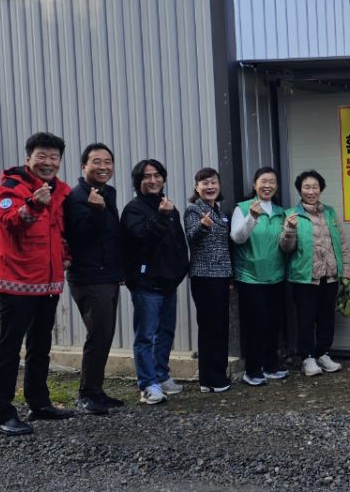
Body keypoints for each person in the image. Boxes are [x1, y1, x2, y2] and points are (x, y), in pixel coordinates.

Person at [0, 132, 75, 436]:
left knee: (40, 347)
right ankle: (2, 412)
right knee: (9, 350)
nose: (48, 162)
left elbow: (58, 232)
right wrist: (32, 205)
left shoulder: (59, 191)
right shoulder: (13, 186)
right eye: (42, 156)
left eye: (54, 157)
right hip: (17, 284)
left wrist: (66, 255)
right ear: (29, 159)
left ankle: (39, 402)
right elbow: (9, 222)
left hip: (49, 285)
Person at [121, 159, 190, 405]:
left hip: (169, 283)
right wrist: (161, 216)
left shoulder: (170, 208)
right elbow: (141, 237)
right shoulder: (134, 209)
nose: (153, 180)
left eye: (157, 175)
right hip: (146, 284)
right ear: (139, 181)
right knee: (145, 336)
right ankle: (147, 384)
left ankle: (161, 376)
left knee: (166, 333)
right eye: (147, 176)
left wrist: (180, 271)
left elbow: (179, 244)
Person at [65, 142, 127, 415]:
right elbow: (80, 237)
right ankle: (86, 395)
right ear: (83, 167)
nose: (103, 167)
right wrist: (96, 211)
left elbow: (111, 237)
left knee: (105, 334)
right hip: (89, 277)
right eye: (96, 162)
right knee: (98, 334)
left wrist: (120, 271)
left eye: (108, 162)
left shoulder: (106, 193)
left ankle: (96, 390)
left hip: (108, 275)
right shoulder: (77, 196)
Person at [279, 170, 350, 377]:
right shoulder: (291, 214)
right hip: (304, 277)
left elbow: (341, 244)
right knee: (306, 319)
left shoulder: (330, 213)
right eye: (306, 187)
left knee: (327, 318)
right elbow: (285, 248)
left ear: (321, 189)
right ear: (300, 190)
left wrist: (345, 271)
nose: (311, 191)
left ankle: (323, 354)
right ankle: (307, 358)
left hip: (330, 276)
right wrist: (290, 229)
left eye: (315, 187)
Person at [230, 167, 289, 386]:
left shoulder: (281, 212)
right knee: (256, 323)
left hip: (276, 275)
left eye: (272, 182)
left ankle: (270, 365)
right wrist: (252, 218)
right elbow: (237, 238)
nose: (268, 185)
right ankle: (252, 369)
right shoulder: (243, 208)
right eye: (263, 181)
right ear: (255, 184)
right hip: (251, 276)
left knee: (273, 322)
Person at [183, 167, 234, 393]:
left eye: (213, 182)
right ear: (197, 188)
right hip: (204, 276)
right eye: (205, 183)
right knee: (210, 327)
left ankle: (214, 376)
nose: (210, 186)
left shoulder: (221, 212)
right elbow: (192, 237)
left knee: (220, 326)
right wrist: (203, 227)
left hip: (222, 277)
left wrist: (230, 276)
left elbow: (226, 247)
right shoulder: (194, 211)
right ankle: (211, 378)